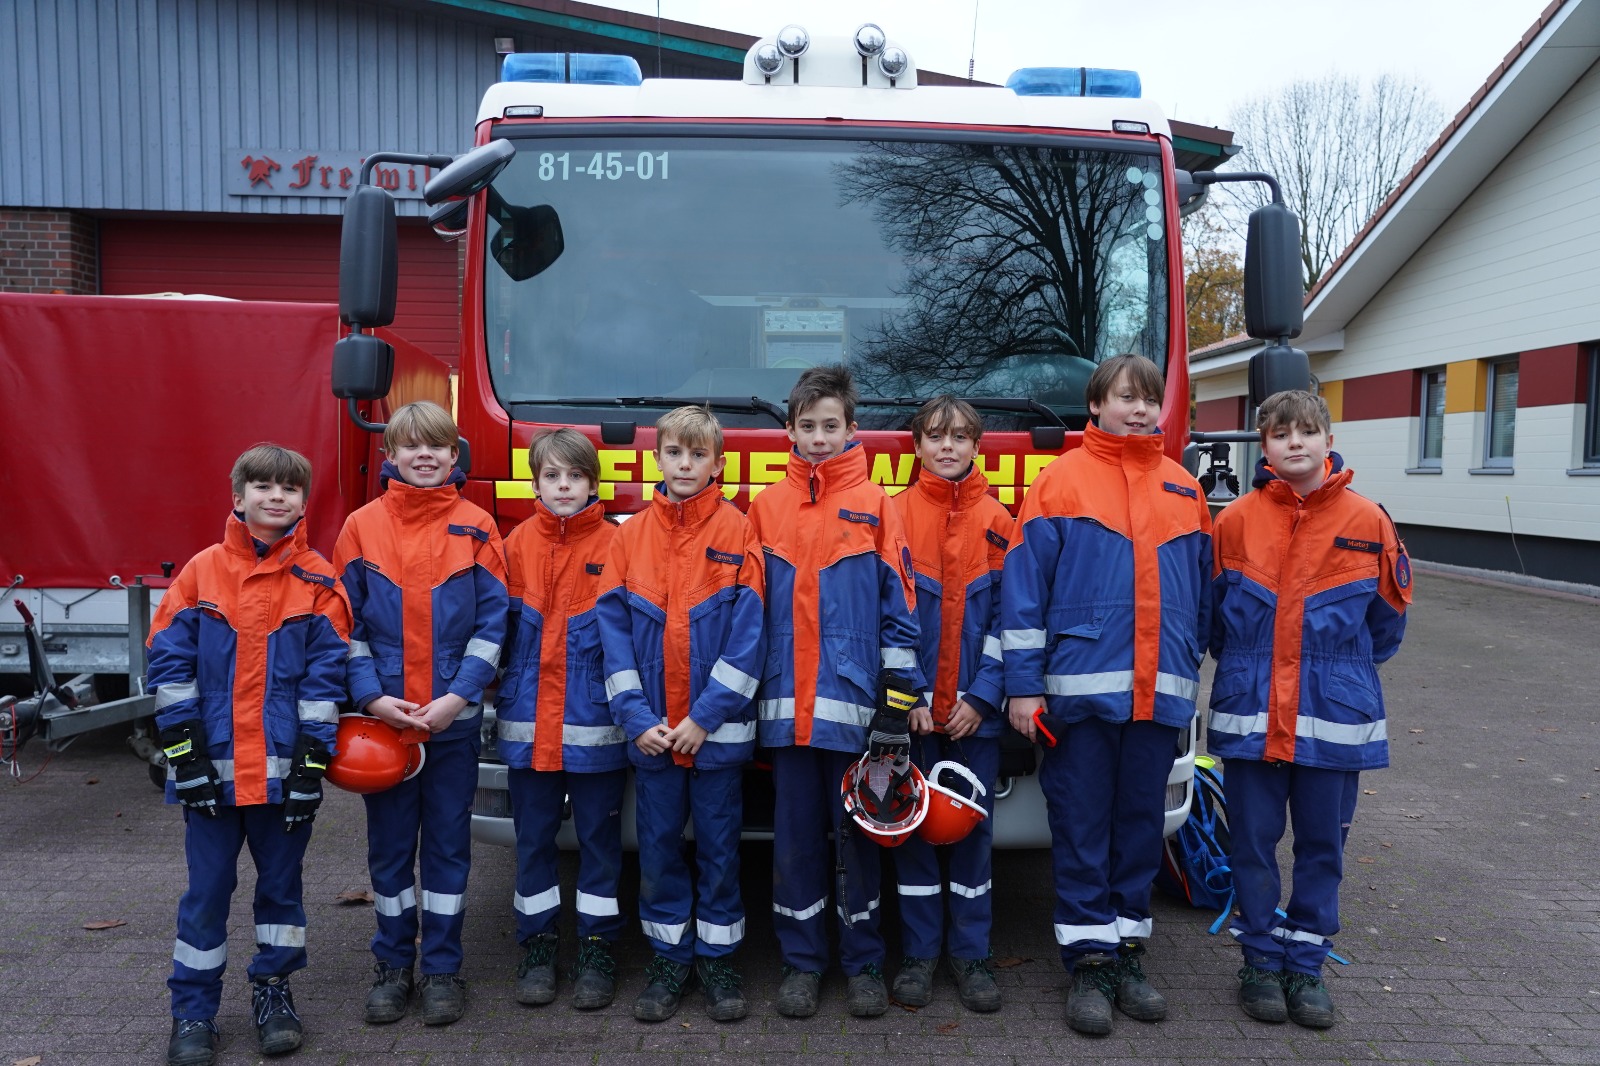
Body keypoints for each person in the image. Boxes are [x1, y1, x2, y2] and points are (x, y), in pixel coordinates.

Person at [1001, 353, 1212, 1036]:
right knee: (1082, 829)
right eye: (1126, 397)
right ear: (1096, 406)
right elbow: (1024, 594)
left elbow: (1203, 597)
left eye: (1149, 399)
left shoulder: (1185, 489)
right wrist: (1023, 689)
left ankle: (1128, 951)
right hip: (1079, 702)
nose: (1140, 409)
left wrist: (1185, 663)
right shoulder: (1059, 483)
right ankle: (1088, 963)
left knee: (1139, 832)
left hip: (1158, 699)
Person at [1208, 389, 1410, 1029]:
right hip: (1252, 714)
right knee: (1253, 845)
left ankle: (1307, 966)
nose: (1294, 443)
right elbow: (1214, 622)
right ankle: (1262, 963)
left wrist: (1333, 672)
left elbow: (1387, 626)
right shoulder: (1234, 520)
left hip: (1332, 715)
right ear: (1263, 447)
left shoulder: (1368, 520)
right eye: (1280, 434)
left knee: (1323, 846)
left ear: (1328, 439)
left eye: (1306, 432)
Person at [149, 444, 351, 1066]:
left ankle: (273, 993)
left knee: (282, 894)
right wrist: (185, 759)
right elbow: (169, 667)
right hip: (209, 777)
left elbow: (327, 682)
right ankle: (193, 1012)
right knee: (206, 894)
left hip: (283, 779)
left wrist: (313, 768)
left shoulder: (320, 580)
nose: (275, 497)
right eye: (261, 486)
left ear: (302, 501)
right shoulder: (200, 573)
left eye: (288, 489)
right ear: (237, 497)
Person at [746, 364, 924, 1019]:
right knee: (793, 848)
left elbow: (902, 615)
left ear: (853, 430)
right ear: (789, 431)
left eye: (831, 426)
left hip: (857, 723)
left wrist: (896, 709)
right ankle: (801, 965)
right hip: (787, 721)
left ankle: (865, 963)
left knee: (859, 848)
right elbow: (746, 614)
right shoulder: (764, 508)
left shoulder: (879, 506)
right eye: (807, 426)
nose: (819, 438)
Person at [333, 401, 508, 1028]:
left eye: (436, 445)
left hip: (452, 727)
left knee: (446, 851)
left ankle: (440, 969)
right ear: (391, 457)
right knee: (387, 853)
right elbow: (342, 628)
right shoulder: (359, 527)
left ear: (454, 455)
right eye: (412, 446)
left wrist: (457, 698)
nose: (425, 455)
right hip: (385, 731)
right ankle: (391, 966)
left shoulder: (478, 526)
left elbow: (493, 628)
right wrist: (374, 699)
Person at [596, 406, 766, 1023]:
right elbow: (611, 640)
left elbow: (751, 638)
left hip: (713, 737)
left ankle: (719, 963)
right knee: (661, 849)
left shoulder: (739, 532)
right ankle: (670, 961)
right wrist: (638, 719)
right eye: (675, 453)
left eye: (698, 456)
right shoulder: (628, 535)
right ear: (658, 459)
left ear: (718, 464)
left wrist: (705, 717)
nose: (686, 465)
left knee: (721, 849)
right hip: (653, 738)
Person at [888, 396, 1014, 1013]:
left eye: (960, 437)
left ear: (976, 446)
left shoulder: (999, 522)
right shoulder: (893, 516)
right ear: (915, 447)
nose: (948, 447)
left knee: (972, 838)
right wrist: (907, 692)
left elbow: (1010, 623)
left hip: (973, 719)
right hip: (912, 716)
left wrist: (984, 697)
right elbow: (892, 615)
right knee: (911, 833)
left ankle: (971, 956)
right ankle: (917, 957)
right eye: (936, 437)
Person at [496, 428, 626, 1011]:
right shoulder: (514, 544)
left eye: (575, 476)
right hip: (529, 727)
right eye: (552, 476)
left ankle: (598, 951)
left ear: (595, 483)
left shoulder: (618, 543)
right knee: (534, 843)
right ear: (535, 481)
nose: (564, 486)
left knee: (600, 842)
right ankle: (538, 947)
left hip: (596, 725)